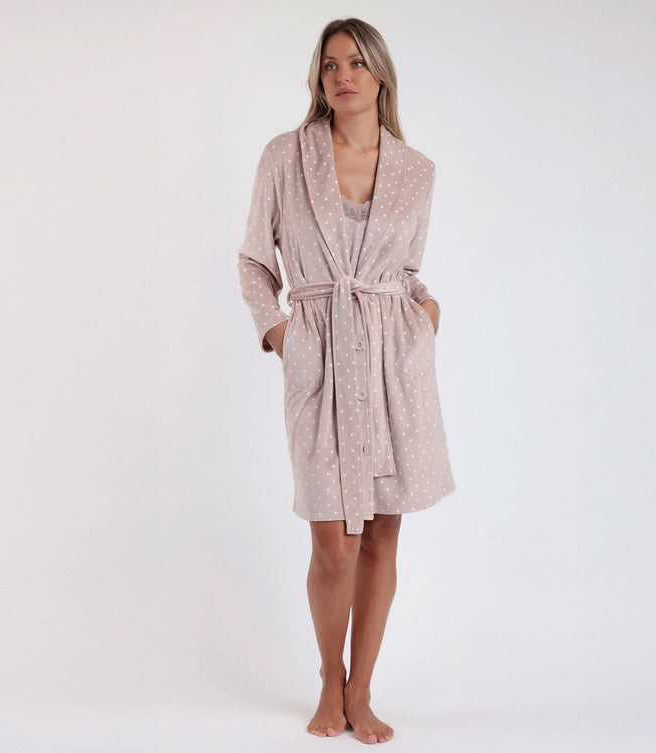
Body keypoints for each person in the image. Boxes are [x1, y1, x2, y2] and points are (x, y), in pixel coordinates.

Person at [237, 17, 456, 745]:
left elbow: (406, 269)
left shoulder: (416, 170)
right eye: (330, 65)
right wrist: (279, 333)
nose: (343, 76)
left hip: (394, 362)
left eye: (357, 63)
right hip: (320, 357)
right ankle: (328, 678)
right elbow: (254, 260)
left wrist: (426, 310)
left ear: (381, 74)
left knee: (381, 535)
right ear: (318, 77)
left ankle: (361, 689)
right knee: (333, 542)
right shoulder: (285, 155)